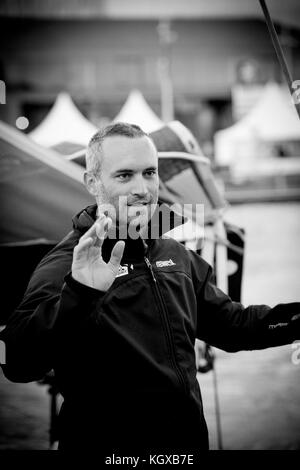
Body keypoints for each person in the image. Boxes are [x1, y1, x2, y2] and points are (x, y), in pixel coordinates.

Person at [1, 122, 299, 453]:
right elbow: (16, 360)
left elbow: (233, 324)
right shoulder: (68, 263)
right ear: (92, 182)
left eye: (150, 173)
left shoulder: (175, 254)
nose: (143, 188)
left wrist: (294, 321)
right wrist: (81, 294)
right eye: (125, 175)